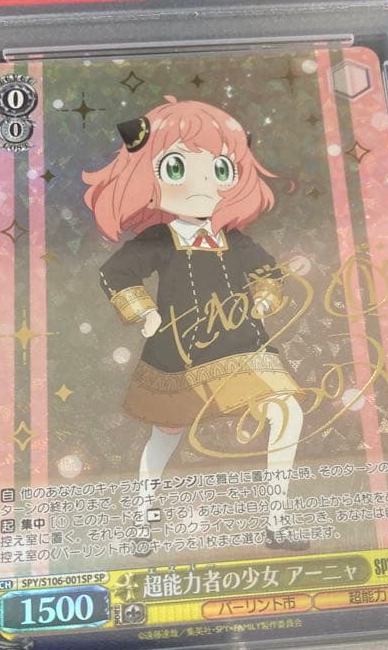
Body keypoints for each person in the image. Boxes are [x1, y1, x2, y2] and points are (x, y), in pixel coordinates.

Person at [83, 95, 305, 550]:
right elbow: (115, 273)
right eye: (177, 167)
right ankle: (143, 520)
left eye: (220, 169)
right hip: (179, 354)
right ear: (148, 177)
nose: (202, 184)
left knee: (287, 410)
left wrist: (264, 298)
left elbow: (269, 273)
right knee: (165, 435)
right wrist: (145, 312)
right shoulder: (158, 239)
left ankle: (277, 521)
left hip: (244, 346)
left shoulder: (234, 239)